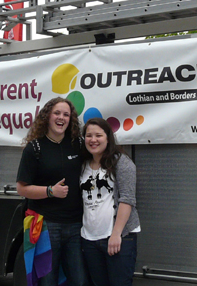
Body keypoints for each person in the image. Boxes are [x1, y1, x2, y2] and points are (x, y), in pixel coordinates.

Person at [16, 97, 88, 286]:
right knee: (48, 281)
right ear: (47, 116)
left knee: (80, 281)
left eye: (66, 114)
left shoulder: (77, 145)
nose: (61, 118)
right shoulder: (35, 148)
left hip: (75, 225)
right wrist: (50, 191)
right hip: (47, 226)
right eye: (57, 113)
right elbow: (21, 188)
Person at [80, 117, 140, 286]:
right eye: (89, 135)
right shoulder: (82, 165)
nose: (93, 140)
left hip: (118, 238)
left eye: (98, 135)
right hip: (90, 240)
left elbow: (127, 199)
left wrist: (116, 234)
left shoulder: (122, 162)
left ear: (108, 137)